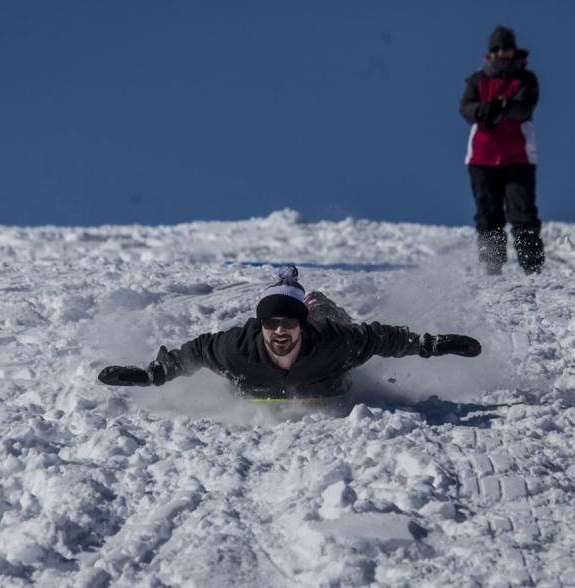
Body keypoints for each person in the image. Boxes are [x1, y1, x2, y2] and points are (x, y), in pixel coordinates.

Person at [97, 266, 482, 400]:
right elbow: (196, 352)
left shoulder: (332, 342)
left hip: (326, 354)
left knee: (331, 316)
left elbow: (380, 338)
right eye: (271, 324)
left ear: (299, 325)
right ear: (260, 325)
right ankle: (294, 290)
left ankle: (312, 299)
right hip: (262, 384)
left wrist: (431, 345)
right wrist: (154, 374)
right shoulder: (238, 349)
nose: (279, 331)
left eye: (288, 323)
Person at [459, 25, 544, 276]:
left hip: (518, 157)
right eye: (497, 49)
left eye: (506, 48)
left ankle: (531, 265)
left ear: (513, 50)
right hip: (482, 158)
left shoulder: (525, 79)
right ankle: (492, 264)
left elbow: (525, 108)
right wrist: (482, 111)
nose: (502, 53)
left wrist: (503, 107)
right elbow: (465, 107)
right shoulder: (478, 79)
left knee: (523, 212)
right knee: (488, 213)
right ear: (490, 52)